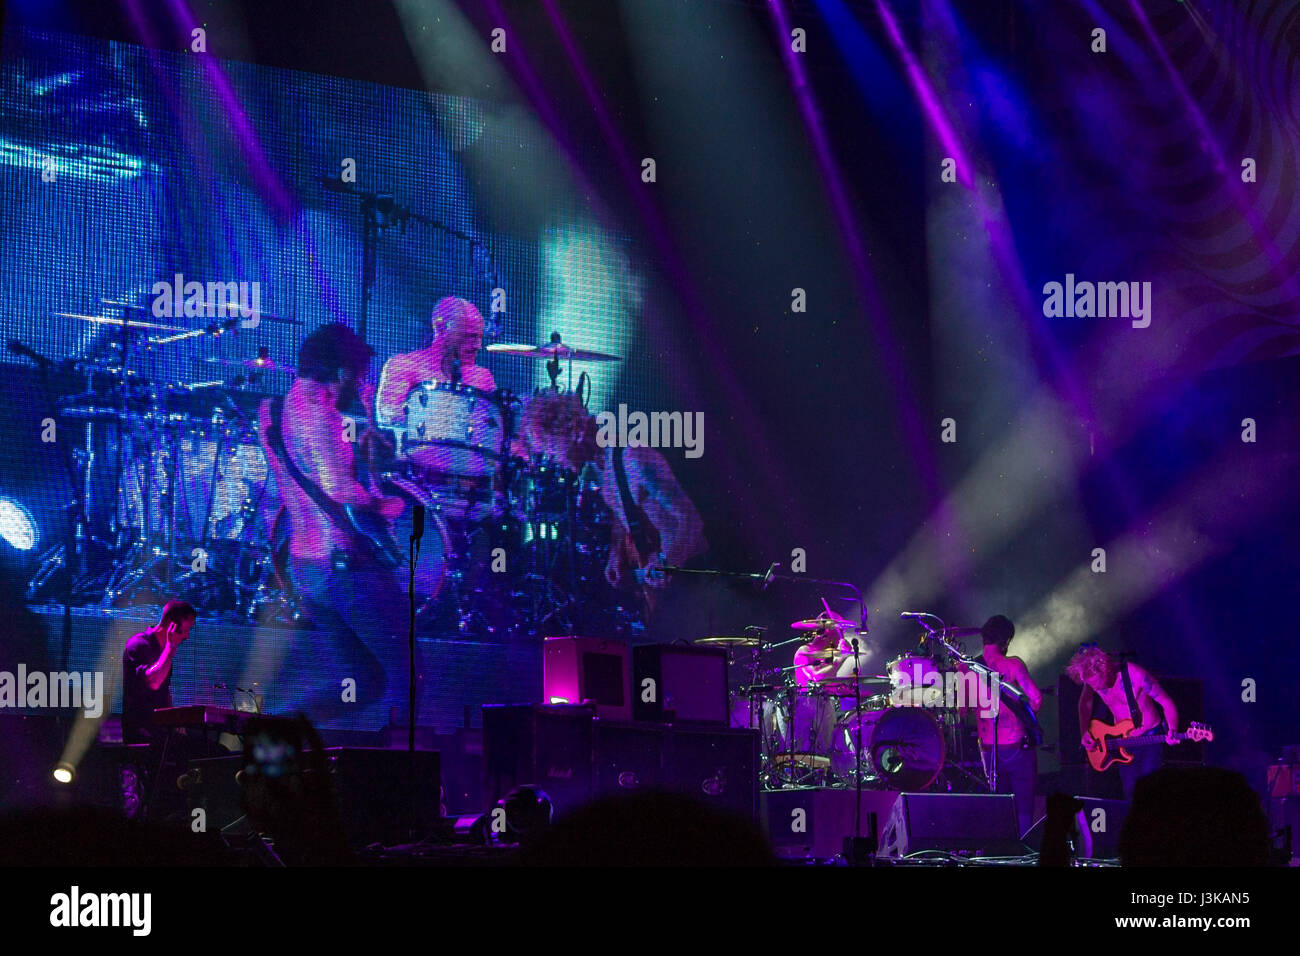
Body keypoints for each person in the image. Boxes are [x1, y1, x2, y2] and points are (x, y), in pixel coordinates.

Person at [257, 323, 413, 727]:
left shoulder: (270, 412)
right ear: (343, 373)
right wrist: (384, 504)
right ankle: (407, 775)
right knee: (408, 674)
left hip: (305, 569)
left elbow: (302, 478)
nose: (362, 385)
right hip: (344, 567)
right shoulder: (321, 416)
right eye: (360, 376)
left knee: (362, 681)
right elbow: (339, 488)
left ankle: (272, 728)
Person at [519, 390, 706, 607]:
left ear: (571, 433)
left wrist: (667, 563)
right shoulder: (601, 466)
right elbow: (625, 510)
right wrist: (616, 553)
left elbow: (691, 519)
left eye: (552, 450)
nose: (555, 461)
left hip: (694, 579)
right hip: (667, 587)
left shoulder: (633, 457)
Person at [1067, 644, 1180, 800]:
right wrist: (1084, 731)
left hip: (1150, 739)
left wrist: (1173, 729)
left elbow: (1166, 702)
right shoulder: (1092, 680)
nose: (1096, 688)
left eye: (1097, 684)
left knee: (1150, 793)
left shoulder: (1135, 674)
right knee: (1131, 796)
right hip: (1125, 743)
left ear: (1105, 671)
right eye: (1092, 685)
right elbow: (1085, 703)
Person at [970, 615, 1042, 838]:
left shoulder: (968, 669)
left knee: (999, 806)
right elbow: (1036, 699)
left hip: (989, 750)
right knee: (1023, 808)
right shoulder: (1013, 665)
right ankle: (1024, 853)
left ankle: (1002, 852)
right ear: (1006, 641)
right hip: (1016, 747)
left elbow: (963, 709)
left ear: (984, 638)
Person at [374, 296, 495, 426]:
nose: (477, 345)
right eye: (469, 336)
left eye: (479, 338)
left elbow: (497, 427)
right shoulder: (404, 365)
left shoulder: (482, 378)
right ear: (441, 328)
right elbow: (387, 414)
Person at [121, 600, 196, 745]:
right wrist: (170, 647)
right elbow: (154, 683)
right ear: (172, 626)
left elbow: (164, 691)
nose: (186, 636)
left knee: (211, 749)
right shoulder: (138, 644)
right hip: (142, 731)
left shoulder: (165, 651)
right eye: (186, 630)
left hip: (161, 729)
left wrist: (175, 720)